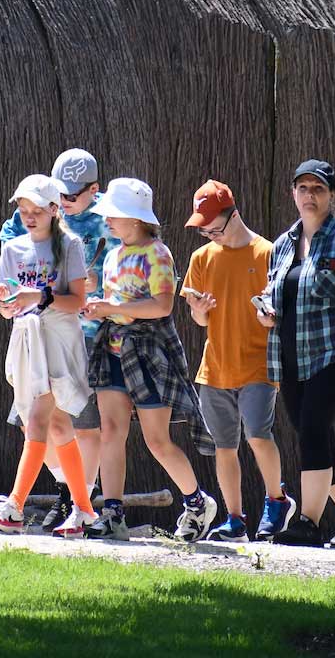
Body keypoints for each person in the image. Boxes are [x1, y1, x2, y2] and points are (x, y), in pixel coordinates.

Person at [80, 177, 218, 541]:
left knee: (157, 440)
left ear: (136, 219)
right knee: (111, 430)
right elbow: (116, 303)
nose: (107, 220)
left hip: (148, 352)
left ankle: (196, 503)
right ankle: (112, 513)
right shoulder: (112, 255)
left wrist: (112, 307)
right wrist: (100, 309)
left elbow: (162, 305)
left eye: (115, 215)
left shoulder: (158, 253)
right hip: (113, 349)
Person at [256, 159, 335, 549]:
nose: (310, 196)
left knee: (312, 431)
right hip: (290, 358)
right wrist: (264, 311)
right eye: (304, 188)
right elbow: (275, 295)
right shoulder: (282, 245)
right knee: (317, 435)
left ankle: (308, 522)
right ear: (293, 193)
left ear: (331, 195)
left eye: (318, 189)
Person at [0, 148, 119, 529]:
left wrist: (96, 283)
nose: (65, 203)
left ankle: (41, 502)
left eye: (71, 196)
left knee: (78, 423)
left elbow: (125, 271)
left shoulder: (109, 220)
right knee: (39, 423)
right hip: (32, 338)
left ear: (93, 189)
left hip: (88, 335)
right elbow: (14, 262)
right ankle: (74, 498)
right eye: (60, 194)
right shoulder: (24, 223)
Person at [0, 174, 99, 537]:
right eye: (23, 210)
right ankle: (84, 511)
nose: (28, 217)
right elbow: (8, 307)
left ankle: (13, 506)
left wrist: (40, 297)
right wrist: (5, 299)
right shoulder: (13, 249)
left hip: (60, 341)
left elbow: (78, 301)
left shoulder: (70, 245)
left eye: (36, 210)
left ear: (52, 210)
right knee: (60, 426)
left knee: (37, 421)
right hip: (28, 342)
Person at [180, 179, 295, 542]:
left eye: (214, 227)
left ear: (234, 215)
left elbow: (280, 311)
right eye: (204, 229)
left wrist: (270, 318)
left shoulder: (267, 253)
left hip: (258, 365)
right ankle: (234, 520)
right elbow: (201, 319)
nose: (210, 235)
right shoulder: (201, 258)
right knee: (224, 447)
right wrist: (199, 311)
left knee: (258, 435)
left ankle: (277, 502)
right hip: (215, 368)